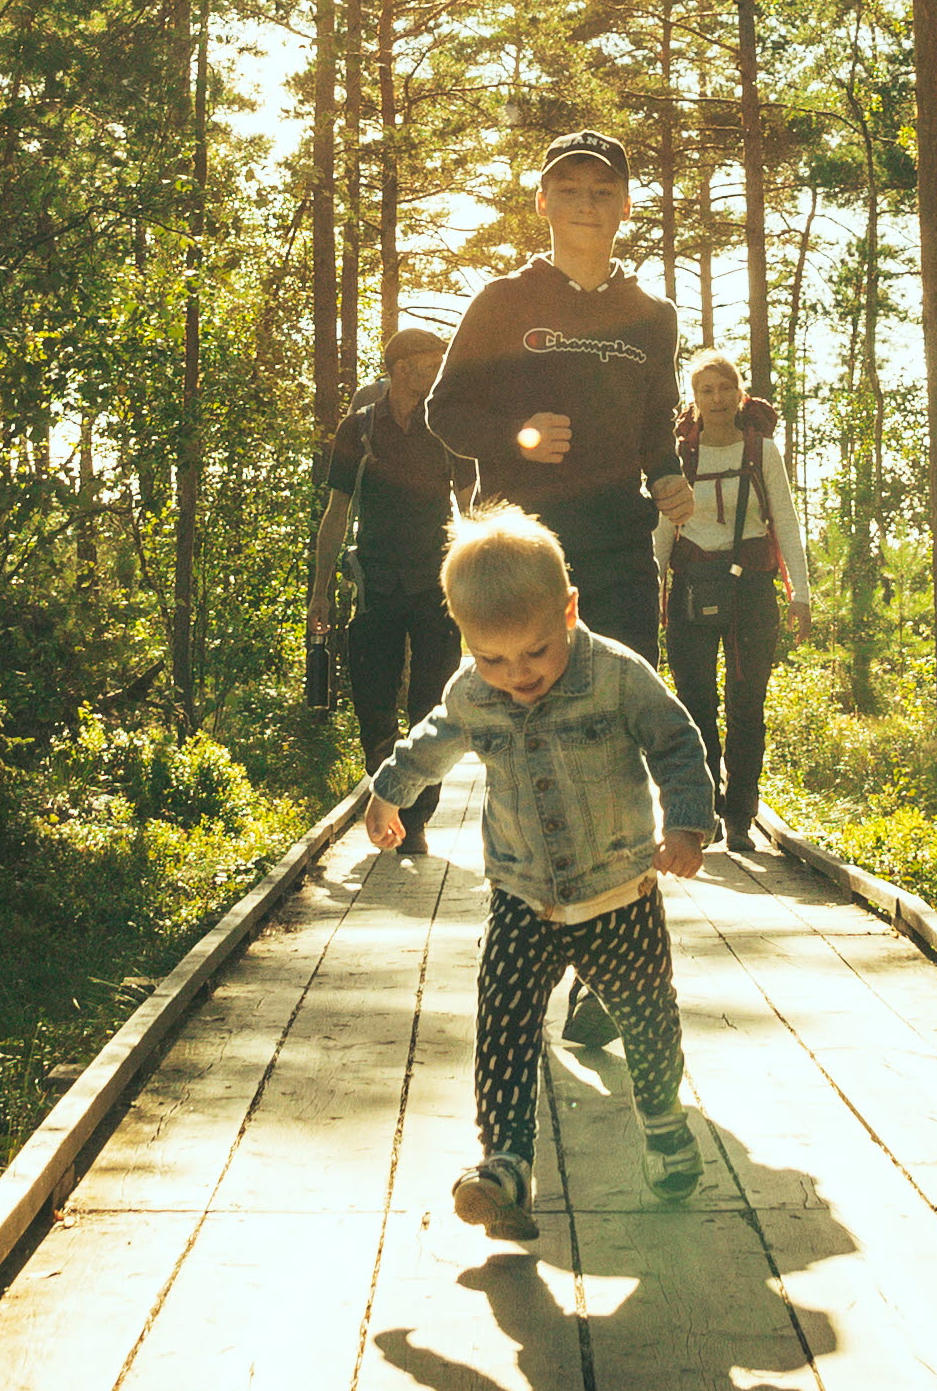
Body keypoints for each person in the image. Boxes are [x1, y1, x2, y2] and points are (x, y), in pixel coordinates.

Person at [362, 502, 715, 1239]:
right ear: (466, 639)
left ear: (569, 611)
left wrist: (687, 822)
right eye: (492, 658)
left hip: (620, 892)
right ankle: (507, 1165)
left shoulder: (617, 676)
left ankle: (662, 1124)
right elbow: (432, 739)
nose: (515, 675)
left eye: (534, 652)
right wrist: (389, 792)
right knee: (506, 1028)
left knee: (649, 1023)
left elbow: (677, 743)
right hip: (523, 895)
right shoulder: (473, 689)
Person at [425, 128, 694, 663]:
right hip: (517, 553)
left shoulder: (654, 316)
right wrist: (517, 437)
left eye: (603, 191)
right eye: (569, 190)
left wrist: (666, 473)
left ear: (626, 206)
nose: (586, 205)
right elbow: (445, 411)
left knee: (621, 716)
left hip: (621, 554)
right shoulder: (502, 300)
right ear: (543, 202)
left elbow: (654, 424)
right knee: (519, 720)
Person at [308, 324, 468, 860]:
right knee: (373, 700)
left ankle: (416, 822)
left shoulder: (450, 430)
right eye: (428, 366)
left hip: (436, 585)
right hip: (374, 582)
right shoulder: (360, 429)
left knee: (433, 704)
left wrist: (482, 581)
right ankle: (386, 789)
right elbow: (335, 514)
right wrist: (320, 591)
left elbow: (473, 511)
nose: (437, 374)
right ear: (401, 369)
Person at [658, 350, 811, 848]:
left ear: (740, 394)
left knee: (747, 704)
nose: (717, 398)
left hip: (751, 590)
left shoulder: (761, 450)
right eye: (706, 390)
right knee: (695, 703)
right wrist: (650, 592)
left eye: (725, 388)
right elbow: (662, 531)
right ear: (694, 400)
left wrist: (800, 595)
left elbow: (784, 520)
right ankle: (706, 813)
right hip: (692, 586)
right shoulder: (679, 457)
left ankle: (741, 817)